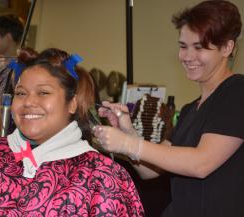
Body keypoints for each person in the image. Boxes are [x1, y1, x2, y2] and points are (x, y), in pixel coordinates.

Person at [0, 48, 144, 216]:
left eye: (43, 92)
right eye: (21, 93)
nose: (29, 102)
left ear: (72, 104)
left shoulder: (102, 178)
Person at [93, 1, 244, 217]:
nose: (187, 56)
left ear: (227, 48)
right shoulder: (190, 110)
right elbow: (150, 171)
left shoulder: (237, 92)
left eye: (199, 47)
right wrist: (128, 134)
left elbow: (201, 163)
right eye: (183, 46)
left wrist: (130, 144)